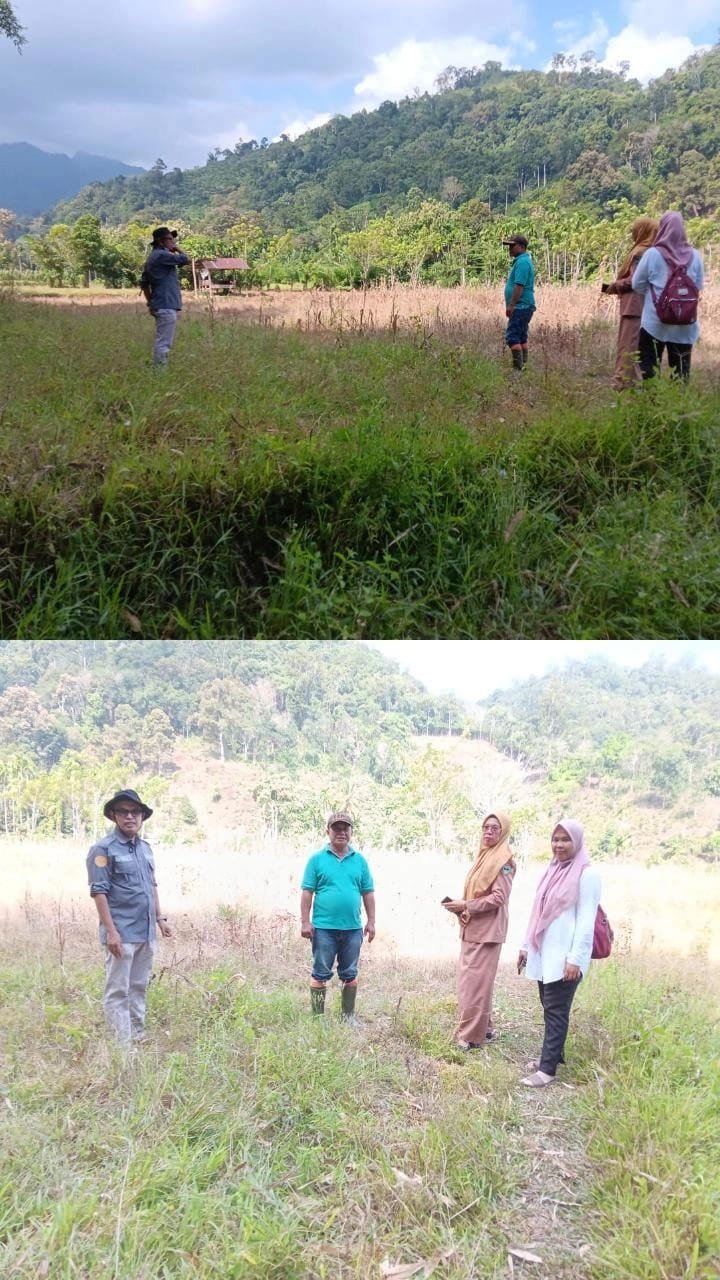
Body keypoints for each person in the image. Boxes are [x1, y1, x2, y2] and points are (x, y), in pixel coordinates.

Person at [517, 819, 601, 1087]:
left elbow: (586, 921)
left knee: (556, 1010)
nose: (559, 845)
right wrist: (525, 945)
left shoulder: (587, 875)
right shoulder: (552, 870)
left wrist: (575, 959)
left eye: (565, 839)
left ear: (576, 842)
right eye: (555, 839)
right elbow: (537, 913)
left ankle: (547, 1070)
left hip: (565, 959)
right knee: (550, 1007)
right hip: (545, 955)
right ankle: (553, 1055)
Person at [86, 789, 171, 1043]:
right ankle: (122, 1046)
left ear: (142, 816)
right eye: (124, 811)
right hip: (121, 934)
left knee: (138, 986)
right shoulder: (102, 850)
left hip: (145, 931)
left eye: (135, 812)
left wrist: (160, 918)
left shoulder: (145, 849)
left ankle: (137, 1034)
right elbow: (99, 893)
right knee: (118, 990)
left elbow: (151, 885)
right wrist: (111, 932)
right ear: (113, 815)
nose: (130, 817)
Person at [443, 811, 515, 1051]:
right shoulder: (485, 856)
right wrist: (460, 904)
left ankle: (470, 1036)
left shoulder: (504, 861)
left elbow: (498, 898)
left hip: (487, 931)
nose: (489, 832)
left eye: (495, 828)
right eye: (486, 827)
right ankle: (485, 1028)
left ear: (503, 831)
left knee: (474, 984)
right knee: (476, 982)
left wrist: (466, 905)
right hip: (474, 928)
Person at [300, 811, 375, 1023]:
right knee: (320, 973)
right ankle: (318, 1019)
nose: (341, 832)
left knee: (350, 973)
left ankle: (348, 1017)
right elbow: (307, 893)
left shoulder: (360, 861)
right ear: (328, 831)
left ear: (351, 832)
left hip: (352, 928)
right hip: (323, 929)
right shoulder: (316, 860)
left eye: (346, 828)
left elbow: (368, 893)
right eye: (336, 828)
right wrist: (305, 922)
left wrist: (371, 921)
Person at [631, 211, 704, 382]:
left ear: (662, 228)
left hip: (655, 323)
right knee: (681, 371)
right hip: (685, 324)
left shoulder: (652, 254)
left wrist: (653, 296)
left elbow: (636, 284)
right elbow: (699, 286)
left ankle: (652, 402)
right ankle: (678, 406)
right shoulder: (695, 255)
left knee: (648, 366)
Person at [602, 217, 658, 389]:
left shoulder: (641, 253)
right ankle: (634, 386)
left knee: (627, 349)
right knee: (632, 349)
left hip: (634, 307)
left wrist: (613, 286)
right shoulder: (651, 252)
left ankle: (620, 386)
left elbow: (635, 280)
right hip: (640, 306)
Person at [141, 227, 191, 367]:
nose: (172, 242)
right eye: (169, 239)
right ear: (160, 241)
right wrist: (177, 249)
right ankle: (159, 373)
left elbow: (144, 284)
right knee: (163, 343)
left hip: (160, 303)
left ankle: (158, 369)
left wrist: (150, 303)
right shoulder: (162, 256)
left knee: (162, 340)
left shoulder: (153, 258)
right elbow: (187, 259)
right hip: (166, 304)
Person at [502, 234, 536, 371]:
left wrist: (511, 305)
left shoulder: (522, 263)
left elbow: (519, 286)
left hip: (521, 306)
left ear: (522, 247)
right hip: (524, 306)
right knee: (521, 337)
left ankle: (518, 369)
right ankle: (523, 366)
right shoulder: (522, 261)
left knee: (512, 337)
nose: (510, 248)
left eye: (512, 245)